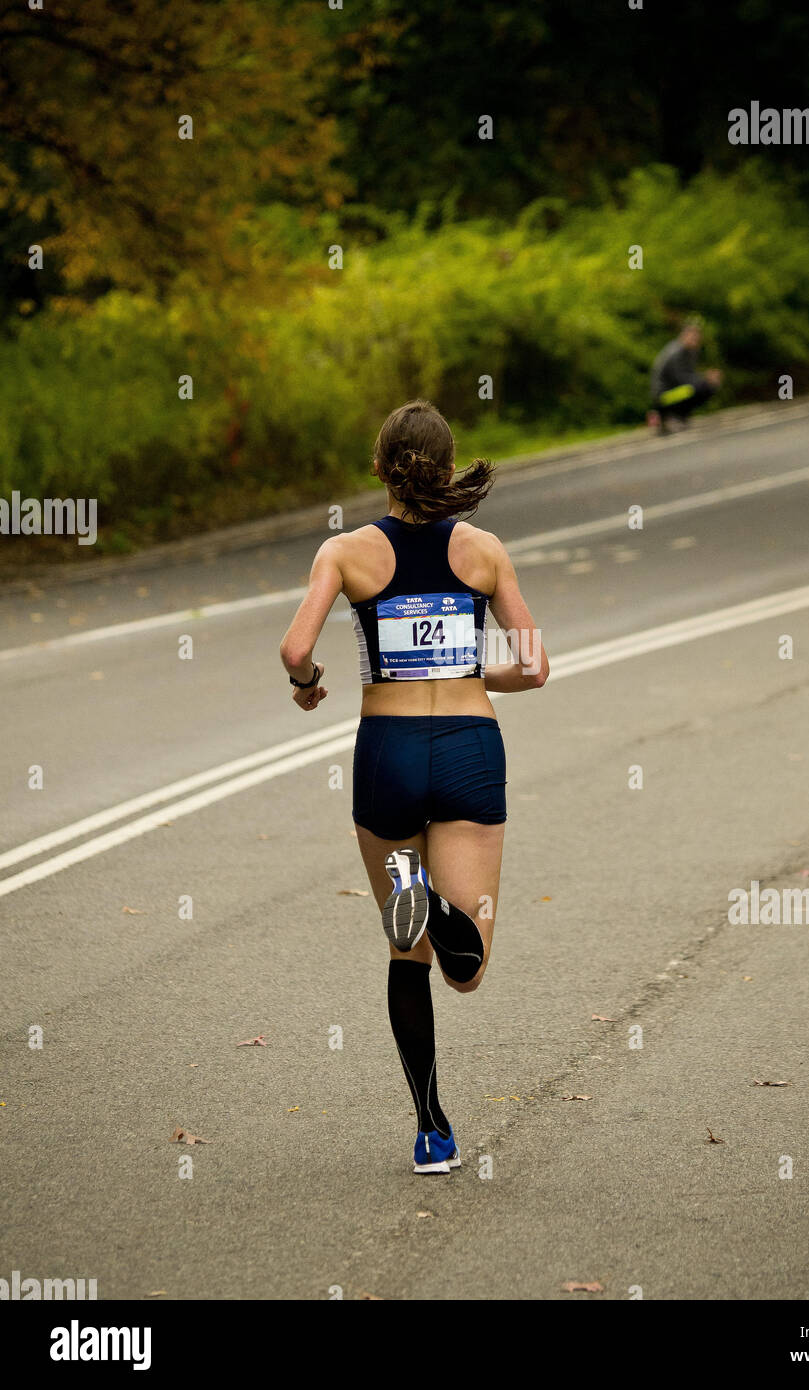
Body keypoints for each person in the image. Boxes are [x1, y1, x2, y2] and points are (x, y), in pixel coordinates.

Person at [279, 399, 549, 1175]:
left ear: (379, 467)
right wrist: (472, 671)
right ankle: (430, 898)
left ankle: (432, 1129)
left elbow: (296, 646)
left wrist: (308, 682)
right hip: (468, 746)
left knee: (408, 951)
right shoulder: (484, 550)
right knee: (466, 970)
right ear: (446, 460)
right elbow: (533, 667)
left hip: (386, 752)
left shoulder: (346, 552)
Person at [648, 319, 723, 436]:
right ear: (684, 335)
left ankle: (679, 417)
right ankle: (670, 416)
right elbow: (681, 378)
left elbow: (689, 375)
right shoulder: (676, 352)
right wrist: (705, 378)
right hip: (663, 396)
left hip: (673, 391)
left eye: (697, 338)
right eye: (692, 337)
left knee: (704, 386)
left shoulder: (689, 352)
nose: (695, 341)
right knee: (697, 388)